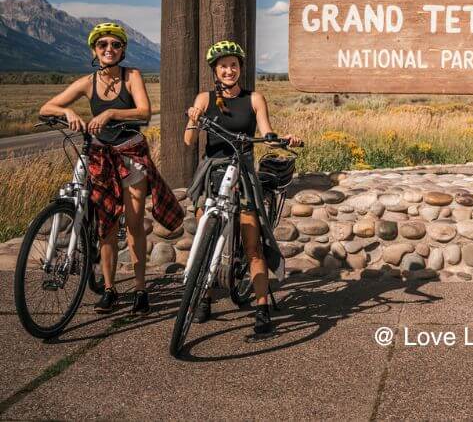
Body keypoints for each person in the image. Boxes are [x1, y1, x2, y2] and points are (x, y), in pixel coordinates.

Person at [39, 22, 183, 315]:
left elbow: (144, 111)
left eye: (115, 45)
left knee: (132, 224)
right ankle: (109, 289)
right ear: (94, 50)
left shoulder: (132, 77)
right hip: (100, 157)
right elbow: (47, 108)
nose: (109, 49)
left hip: (131, 154)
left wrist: (110, 113)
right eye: (102, 45)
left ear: (123, 50)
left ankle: (141, 289)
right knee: (106, 226)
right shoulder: (86, 83)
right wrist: (67, 111)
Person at [184, 40, 301, 335]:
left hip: (244, 176)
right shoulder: (203, 99)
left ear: (240, 69)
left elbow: (267, 133)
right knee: (206, 243)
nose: (229, 70)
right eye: (223, 65)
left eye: (233, 65)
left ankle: (262, 308)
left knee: (252, 245)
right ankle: (204, 298)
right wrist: (192, 120)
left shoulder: (254, 99)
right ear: (215, 70)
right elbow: (188, 140)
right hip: (213, 176)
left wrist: (284, 139)